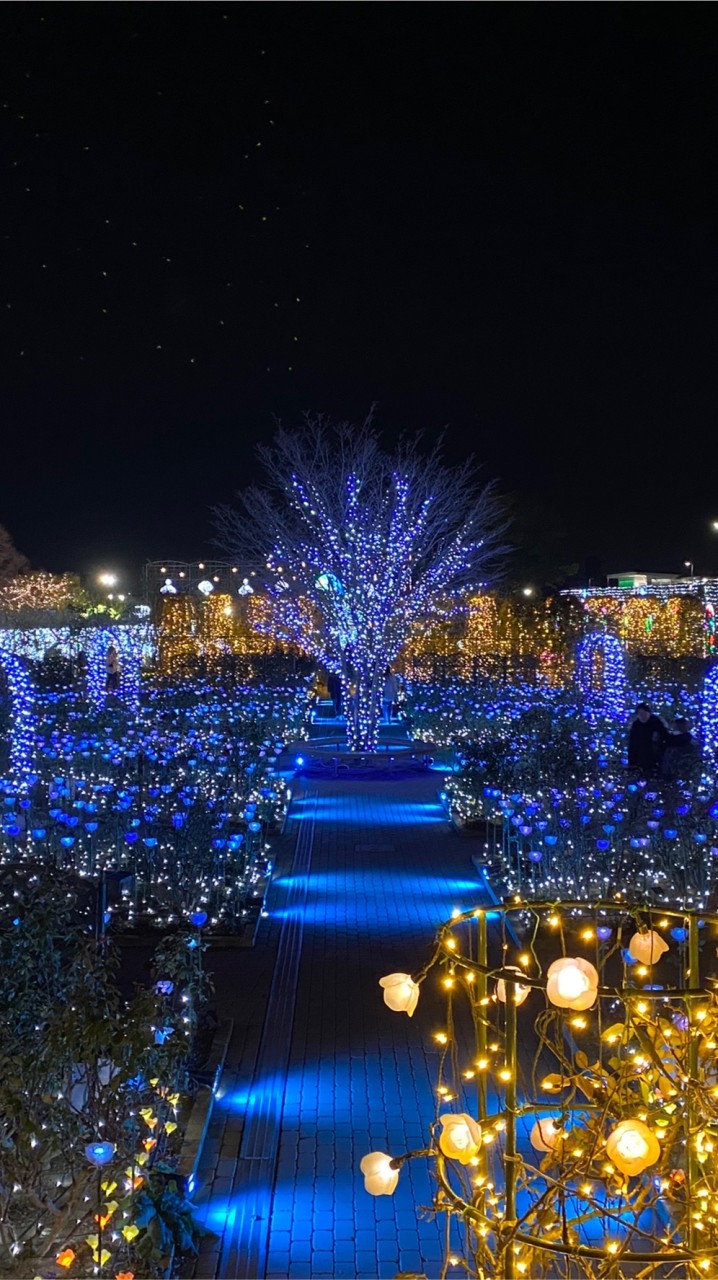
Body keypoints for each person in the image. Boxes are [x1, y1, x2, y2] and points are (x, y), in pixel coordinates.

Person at [627, 702, 669, 774]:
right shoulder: (636, 725)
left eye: (644, 713)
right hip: (640, 756)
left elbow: (665, 737)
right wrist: (632, 762)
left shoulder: (656, 722)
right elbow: (632, 744)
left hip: (655, 755)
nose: (642, 716)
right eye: (639, 714)